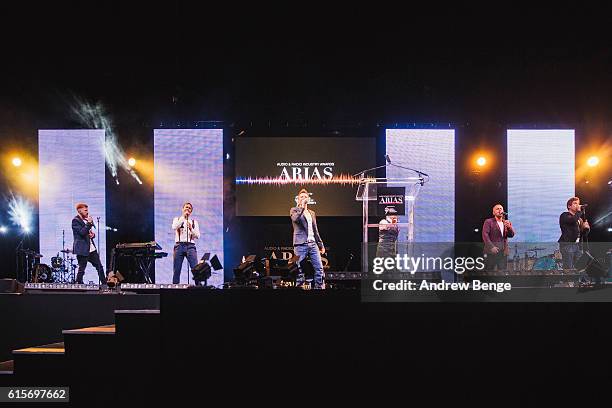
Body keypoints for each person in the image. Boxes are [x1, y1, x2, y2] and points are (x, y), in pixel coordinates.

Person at [290, 189, 325, 289]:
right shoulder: (294, 210)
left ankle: (319, 289)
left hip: (313, 244)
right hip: (300, 244)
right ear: (298, 199)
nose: (303, 198)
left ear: (308, 199)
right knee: (299, 269)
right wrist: (300, 207)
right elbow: (295, 219)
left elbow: (315, 230)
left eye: (305, 197)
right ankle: (299, 289)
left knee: (319, 268)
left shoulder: (312, 213)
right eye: (301, 197)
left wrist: (320, 244)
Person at [72, 203, 105, 284]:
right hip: (82, 249)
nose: (87, 212)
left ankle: (105, 284)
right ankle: (78, 284)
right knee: (82, 269)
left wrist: (92, 235)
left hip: (91, 248)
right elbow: (82, 232)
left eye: (87, 210)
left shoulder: (86, 220)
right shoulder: (75, 220)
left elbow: (87, 233)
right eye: (85, 210)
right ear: (79, 210)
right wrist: (89, 223)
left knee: (99, 267)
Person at [171, 202, 201, 284]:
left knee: (195, 269)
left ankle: (199, 288)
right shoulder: (177, 219)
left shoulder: (194, 222)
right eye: (186, 207)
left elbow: (197, 236)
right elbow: (174, 227)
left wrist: (191, 229)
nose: (187, 209)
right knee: (176, 270)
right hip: (179, 246)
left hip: (190, 246)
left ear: (191, 211)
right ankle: (174, 291)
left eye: (189, 208)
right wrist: (183, 218)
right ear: (183, 209)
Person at [558, 196, 590, 270]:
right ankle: (568, 281)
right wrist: (579, 211)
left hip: (578, 246)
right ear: (569, 206)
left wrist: (586, 228)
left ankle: (577, 281)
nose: (577, 205)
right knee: (568, 267)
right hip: (568, 244)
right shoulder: (564, 215)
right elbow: (572, 220)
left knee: (579, 267)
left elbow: (583, 234)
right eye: (575, 203)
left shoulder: (580, 219)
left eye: (578, 203)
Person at [482, 204, 515, 272]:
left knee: (502, 272)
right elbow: (485, 235)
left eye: (501, 208)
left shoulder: (506, 222)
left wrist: (509, 227)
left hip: (503, 252)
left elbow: (511, 235)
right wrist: (491, 247)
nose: (499, 210)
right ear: (493, 212)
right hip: (491, 252)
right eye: (497, 209)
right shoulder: (489, 222)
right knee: (489, 272)